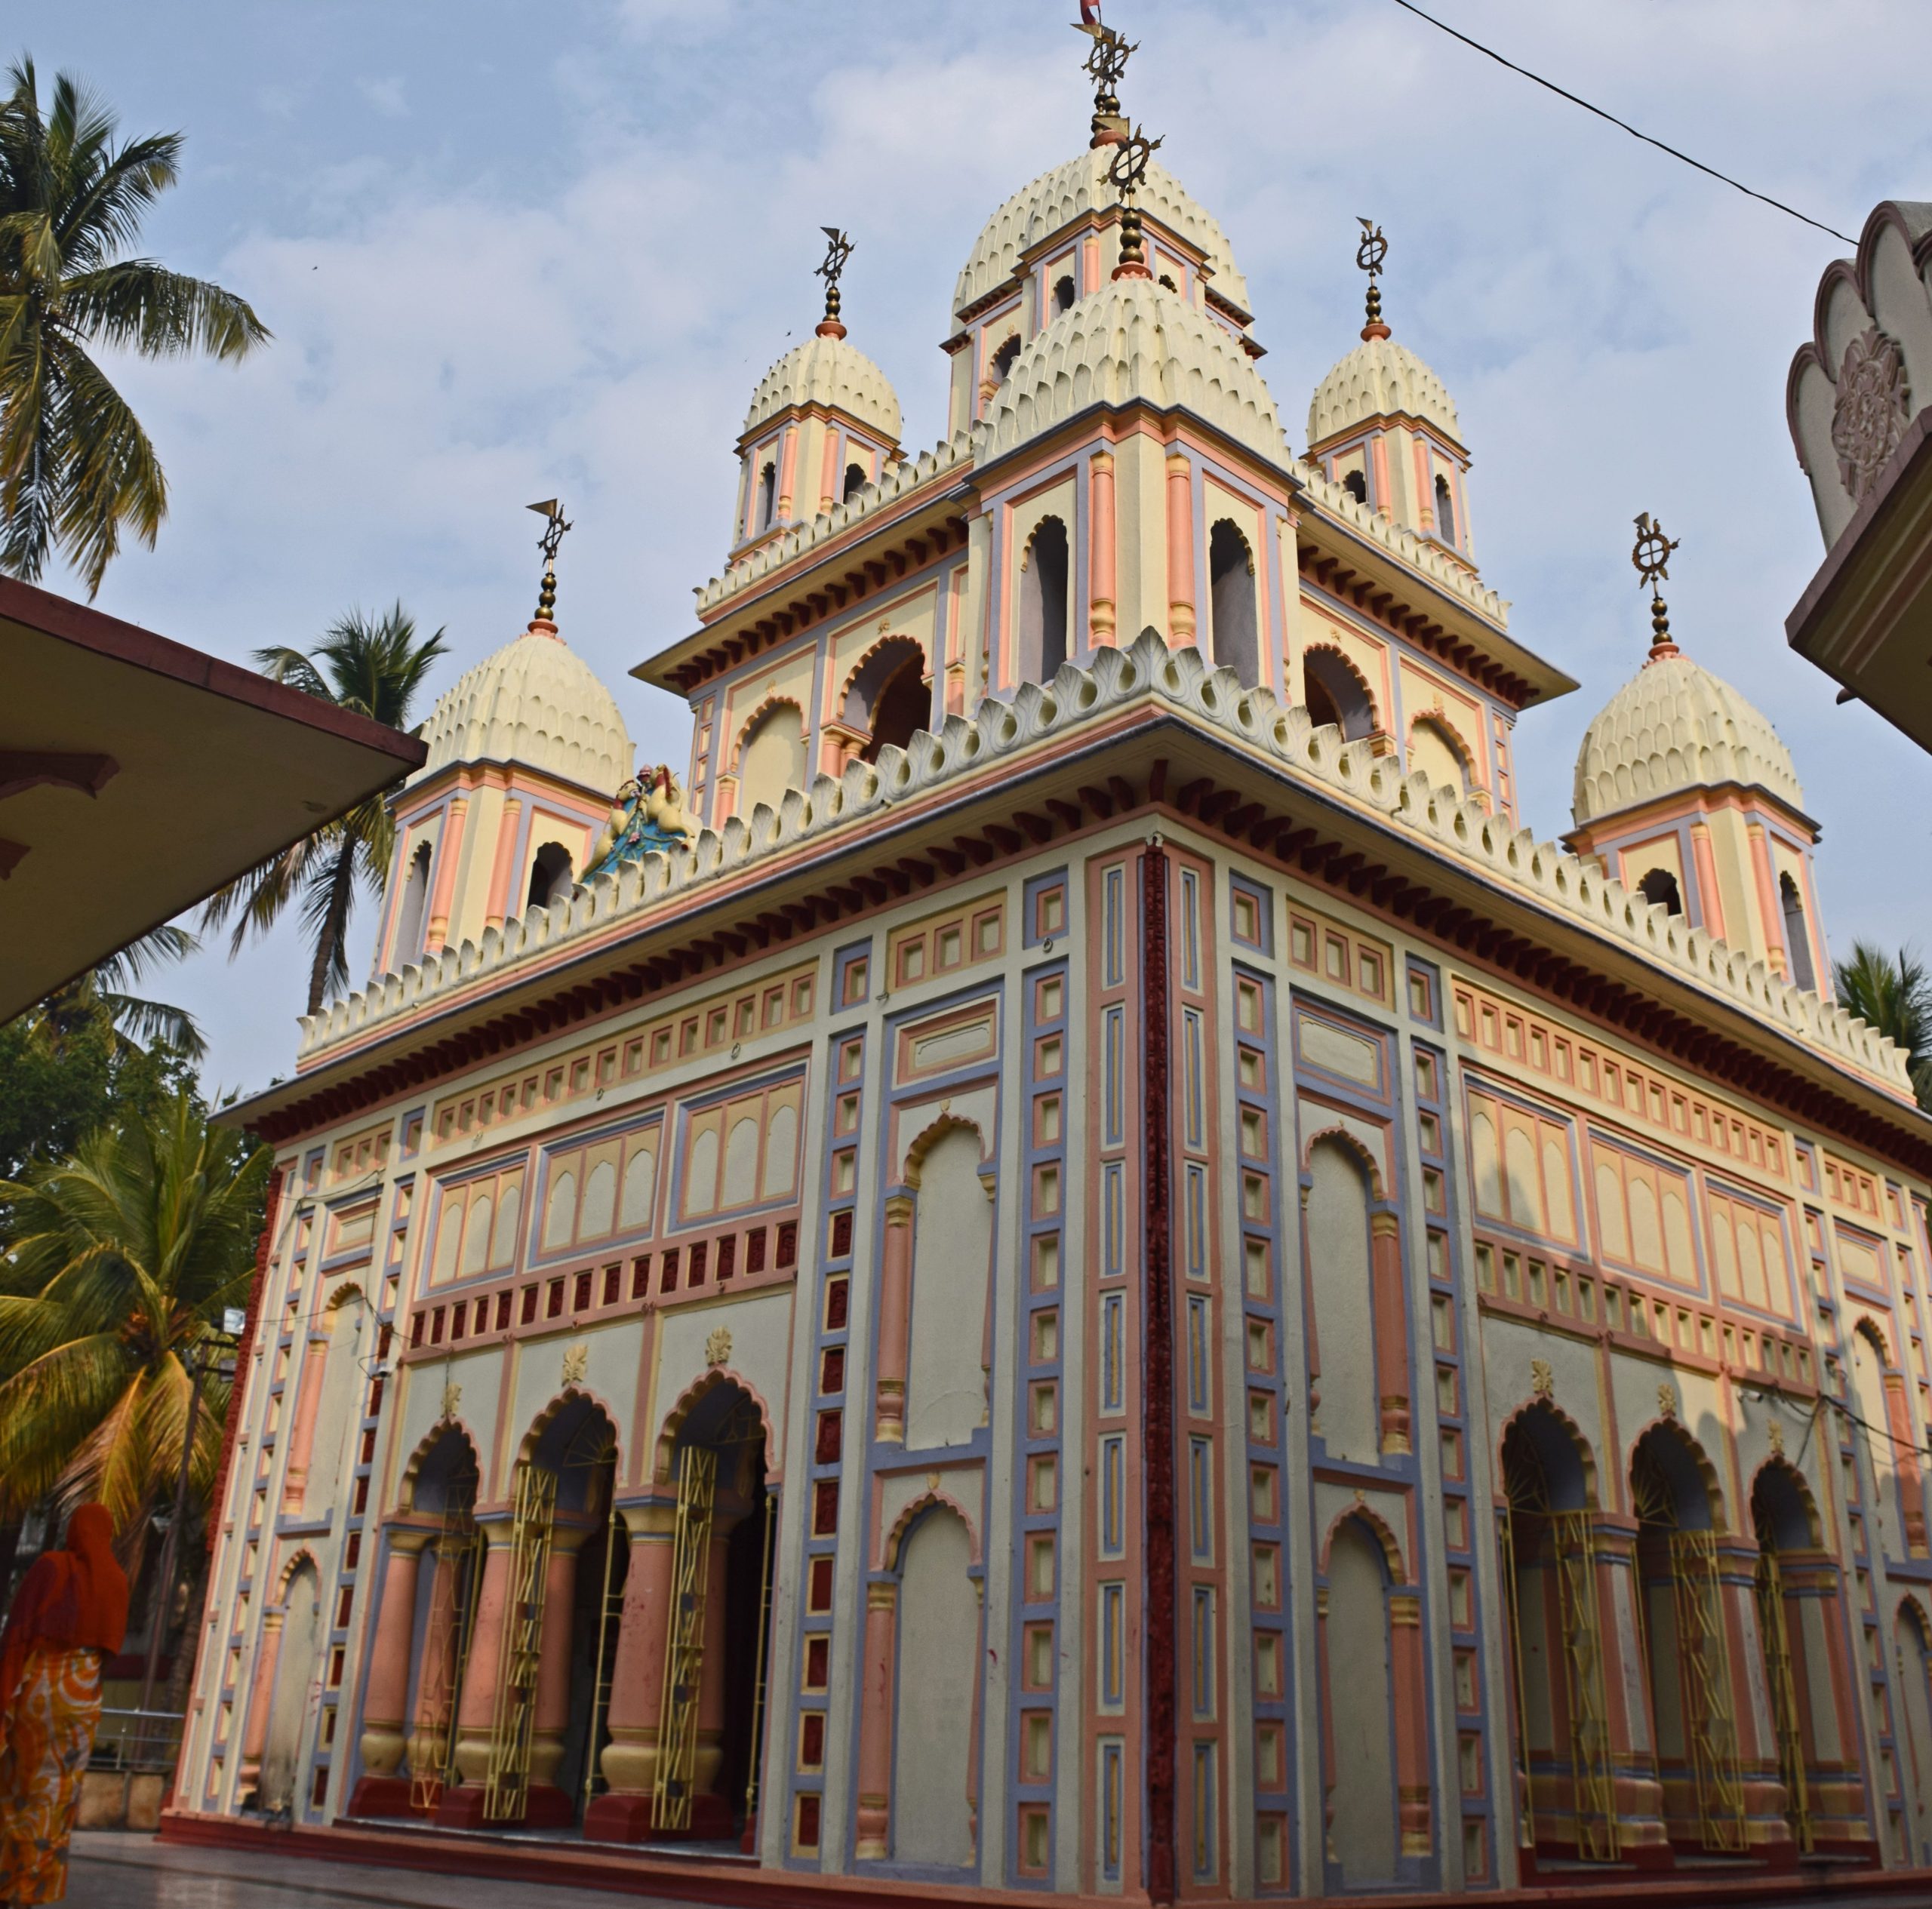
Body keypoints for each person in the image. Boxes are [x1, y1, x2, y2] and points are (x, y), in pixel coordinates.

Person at [0, 1505, 129, 1905]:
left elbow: (19, 1633)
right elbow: (109, 1652)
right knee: (58, 1801)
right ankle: (33, 1890)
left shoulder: (51, 1566)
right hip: (82, 1702)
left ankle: (7, 1885)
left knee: (19, 1792)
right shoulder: (116, 1579)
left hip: (40, 1696)